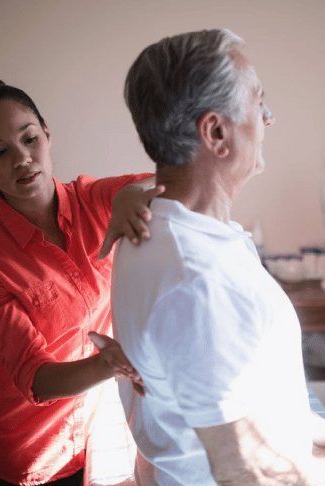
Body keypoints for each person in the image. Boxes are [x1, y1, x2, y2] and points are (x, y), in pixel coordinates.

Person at [105, 29, 325, 485]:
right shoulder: (197, 281)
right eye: (258, 103)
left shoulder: (176, 230)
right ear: (217, 132)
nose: (268, 119)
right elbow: (243, 469)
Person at [0, 78, 163, 486]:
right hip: (22, 445)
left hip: (94, 435)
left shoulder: (93, 199)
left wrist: (129, 195)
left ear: (47, 135)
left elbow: (170, 185)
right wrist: (111, 363)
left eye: (30, 139)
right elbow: (37, 379)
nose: (22, 159)